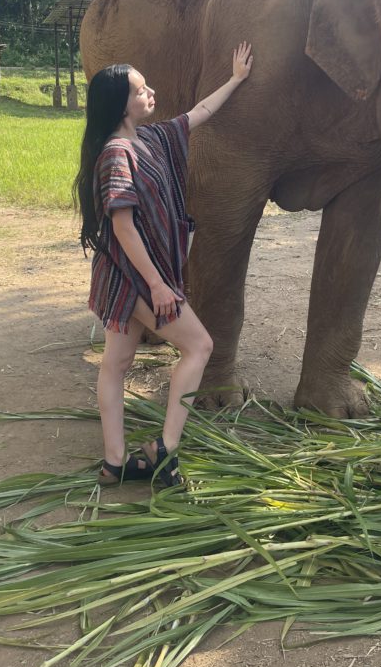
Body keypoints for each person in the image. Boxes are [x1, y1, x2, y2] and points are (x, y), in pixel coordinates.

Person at [73, 43, 253, 486]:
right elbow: (124, 228)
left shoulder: (151, 138)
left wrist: (235, 79)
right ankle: (166, 452)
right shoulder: (118, 153)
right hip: (134, 277)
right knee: (200, 347)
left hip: (127, 274)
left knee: (117, 362)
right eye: (140, 90)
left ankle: (114, 462)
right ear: (120, 103)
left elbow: (199, 114)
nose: (150, 92)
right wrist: (157, 285)